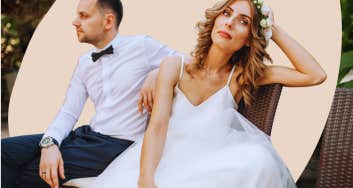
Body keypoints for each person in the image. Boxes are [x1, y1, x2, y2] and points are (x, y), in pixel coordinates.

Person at [88, 0, 327, 187]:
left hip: (213, 165)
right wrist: (146, 180)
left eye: (243, 21)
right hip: (164, 159)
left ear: (248, 39)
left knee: (260, 161)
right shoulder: (174, 66)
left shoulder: (241, 76)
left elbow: (314, 75)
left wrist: (271, 27)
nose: (230, 23)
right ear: (215, 20)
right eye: (226, 13)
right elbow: (157, 127)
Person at [1, 0, 179, 187]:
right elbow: (68, 112)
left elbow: (188, 62)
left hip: (117, 145)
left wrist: (158, 72)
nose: (75, 22)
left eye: (84, 16)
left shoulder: (142, 46)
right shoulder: (84, 63)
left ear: (108, 21)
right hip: (86, 135)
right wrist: (50, 143)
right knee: (3, 151)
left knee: (31, 171)